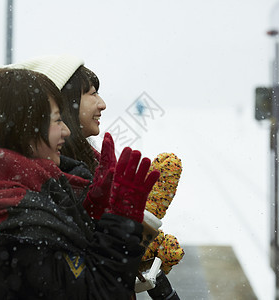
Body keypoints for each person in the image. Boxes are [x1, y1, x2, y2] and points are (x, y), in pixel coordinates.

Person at [0, 67, 160, 299]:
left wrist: (92, 209)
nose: (66, 130)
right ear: (26, 127)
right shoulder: (26, 223)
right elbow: (100, 292)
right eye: (57, 120)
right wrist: (121, 223)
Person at [12, 55, 181, 299]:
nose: (102, 104)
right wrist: (134, 231)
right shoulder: (57, 177)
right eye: (91, 93)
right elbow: (88, 265)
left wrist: (140, 227)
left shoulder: (86, 162)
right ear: (65, 103)